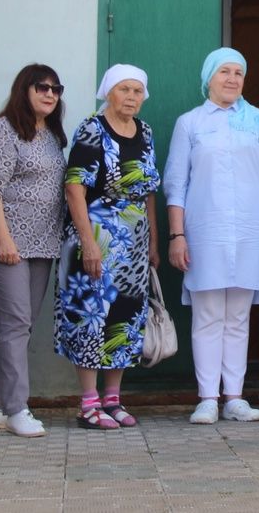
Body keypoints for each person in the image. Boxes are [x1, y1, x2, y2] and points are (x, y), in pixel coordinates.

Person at [164, 47, 259, 425]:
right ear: (209, 78)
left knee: (238, 316)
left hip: (250, 231)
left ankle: (234, 396)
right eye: (225, 72)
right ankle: (207, 397)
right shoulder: (190, 123)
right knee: (207, 316)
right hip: (204, 231)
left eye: (239, 72)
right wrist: (177, 234)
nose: (233, 79)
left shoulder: (257, 122)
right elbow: (176, 184)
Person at [55, 64, 161, 429]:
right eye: (124, 90)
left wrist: (153, 243)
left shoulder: (145, 132)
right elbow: (74, 188)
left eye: (137, 91)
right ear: (108, 93)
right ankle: (88, 403)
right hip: (95, 238)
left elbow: (147, 192)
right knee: (91, 317)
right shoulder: (91, 129)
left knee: (124, 319)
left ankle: (113, 400)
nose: (131, 97)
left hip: (132, 246)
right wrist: (88, 243)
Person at [0, 64, 68, 437]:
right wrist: (3, 239)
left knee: (22, 326)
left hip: (44, 243)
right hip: (11, 244)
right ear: (24, 89)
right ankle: (18, 408)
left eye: (56, 88)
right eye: (42, 87)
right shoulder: (4, 130)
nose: (50, 94)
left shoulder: (51, 135)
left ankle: (0, 406)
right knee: (16, 323)